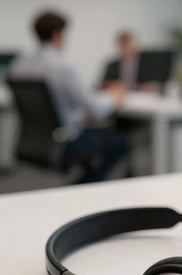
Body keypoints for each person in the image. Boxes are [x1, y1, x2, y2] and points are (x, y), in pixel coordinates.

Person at [10, 11, 127, 183]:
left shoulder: (19, 64)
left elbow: (48, 107)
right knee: (120, 142)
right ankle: (83, 186)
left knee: (97, 136)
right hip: (65, 142)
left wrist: (79, 115)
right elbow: (96, 110)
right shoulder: (62, 67)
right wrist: (114, 96)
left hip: (35, 141)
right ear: (58, 34)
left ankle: (82, 184)